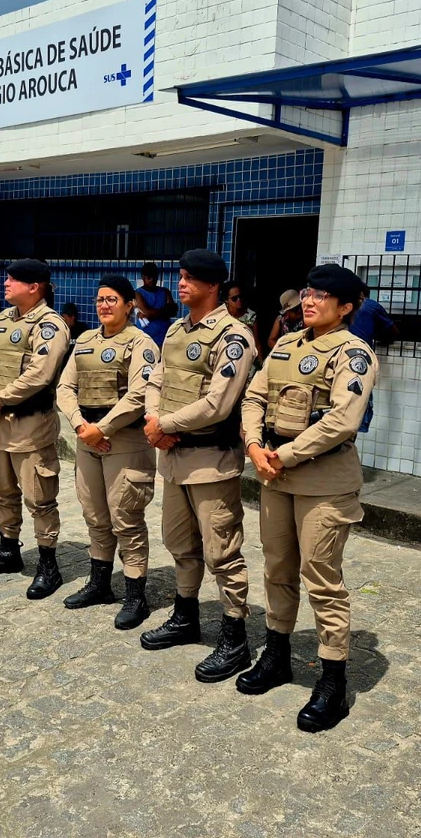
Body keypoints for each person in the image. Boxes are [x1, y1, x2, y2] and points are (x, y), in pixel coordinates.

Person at [239, 264, 379, 733]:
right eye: (308, 292)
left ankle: (332, 682)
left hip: (323, 481)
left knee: (321, 577)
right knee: (277, 568)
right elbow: (255, 396)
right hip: (276, 474)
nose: (311, 300)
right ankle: (276, 657)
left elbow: (343, 420)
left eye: (323, 295)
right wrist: (256, 446)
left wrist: (285, 455)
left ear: (346, 307)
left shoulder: (354, 352)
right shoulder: (285, 343)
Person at [141, 249, 256, 683]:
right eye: (181, 275)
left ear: (213, 287)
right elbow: (157, 381)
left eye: (190, 278)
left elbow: (219, 403)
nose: (181, 283)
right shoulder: (174, 330)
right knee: (179, 543)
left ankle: (235, 637)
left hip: (211, 460)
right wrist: (155, 423)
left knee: (222, 552)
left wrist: (163, 424)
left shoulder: (234, 336)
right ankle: (185, 616)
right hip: (173, 457)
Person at [56, 276, 160, 629]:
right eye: (100, 299)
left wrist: (103, 428)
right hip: (88, 440)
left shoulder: (141, 344)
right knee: (95, 517)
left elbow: (138, 395)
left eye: (112, 299)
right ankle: (99, 584)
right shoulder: (84, 341)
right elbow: (65, 387)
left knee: (126, 519)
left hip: (124, 443)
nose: (104, 305)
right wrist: (80, 425)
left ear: (130, 304)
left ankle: (135, 596)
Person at [0, 258, 72, 600]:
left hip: (31, 426)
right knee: (2, 492)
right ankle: (8, 550)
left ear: (35, 287)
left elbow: (41, 374)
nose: (6, 282)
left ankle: (48, 565)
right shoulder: (3, 318)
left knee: (39, 498)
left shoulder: (50, 325)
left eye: (14, 279)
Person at [349, 284, 401, 433]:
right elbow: (394, 332)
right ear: (365, 295)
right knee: (360, 401)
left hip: (337, 356)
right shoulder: (371, 305)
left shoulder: (341, 305)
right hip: (360, 360)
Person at [134, 262, 178, 347]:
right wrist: (166, 311)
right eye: (149, 277)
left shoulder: (165, 291)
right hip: (145, 339)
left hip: (164, 338)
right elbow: (146, 313)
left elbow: (173, 312)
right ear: (143, 277)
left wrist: (152, 313)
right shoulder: (137, 293)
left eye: (155, 277)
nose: (152, 280)